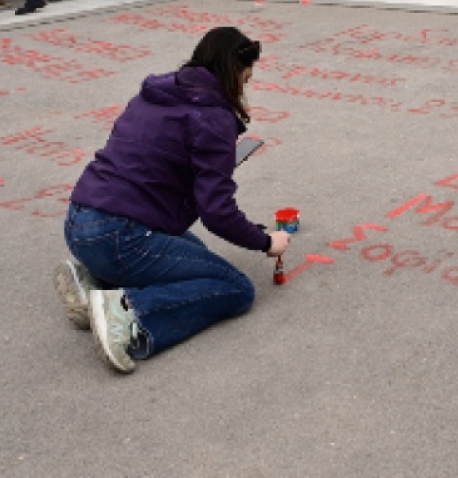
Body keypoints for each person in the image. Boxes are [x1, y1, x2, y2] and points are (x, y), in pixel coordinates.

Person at [56, 27, 291, 373]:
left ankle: (92, 281)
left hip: (80, 220)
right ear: (232, 71)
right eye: (246, 77)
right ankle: (127, 313)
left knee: (198, 256)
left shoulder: (156, 92)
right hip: (119, 235)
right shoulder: (212, 118)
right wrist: (266, 241)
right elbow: (216, 212)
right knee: (234, 287)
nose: (245, 86)